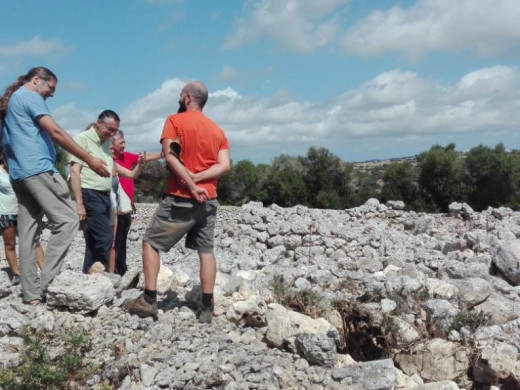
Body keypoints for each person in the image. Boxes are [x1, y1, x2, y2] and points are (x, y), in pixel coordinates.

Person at [0, 67, 110, 304]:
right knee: (68, 221)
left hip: (19, 174)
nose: (51, 94)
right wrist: (90, 159)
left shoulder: (11, 103)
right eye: (51, 88)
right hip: (38, 170)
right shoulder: (29, 96)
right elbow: (56, 132)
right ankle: (47, 283)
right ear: (37, 80)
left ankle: (30, 295)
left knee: (28, 234)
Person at [124, 81, 230, 323]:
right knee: (206, 251)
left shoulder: (175, 121)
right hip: (210, 198)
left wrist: (191, 184)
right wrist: (201, 179)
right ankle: (206, 307)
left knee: (150, 242)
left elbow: (171, 158)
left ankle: (149, 301)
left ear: (187, 97)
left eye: (181, 94)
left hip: (181, 197)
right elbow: (225, 166)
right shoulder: (217, 130)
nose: (180, 97)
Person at [69, 111, 138, 274]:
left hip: (105, 196)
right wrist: (79, 204)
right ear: (99, 123)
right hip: (90, 194)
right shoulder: (82, 139)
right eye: (110, 129)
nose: (112, 134)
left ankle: (88, 274)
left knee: (94, 240)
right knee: (106, 238)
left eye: (115, 131)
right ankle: (102, 275)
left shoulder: (106, 143)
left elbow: (114, 169)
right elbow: (74, 171)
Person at [111, 131, 162, 275]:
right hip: (116, 207)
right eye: (121, 143)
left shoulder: (126, 156)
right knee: (115, 241)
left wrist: (164, 154)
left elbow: (144, 158)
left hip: (127, 207)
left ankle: (121, 269)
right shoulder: (109, 160)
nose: (124, 145)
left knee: (122, 240)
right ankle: (114, 270)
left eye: (124, 142)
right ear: (112, 144)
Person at [0, 154, 44, 284]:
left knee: (35, 241)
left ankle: (45, 270)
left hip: (24, 211)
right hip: (5, 212)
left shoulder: (22, 170)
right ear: (4, 158)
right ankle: (16, 274)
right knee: (10, 243)